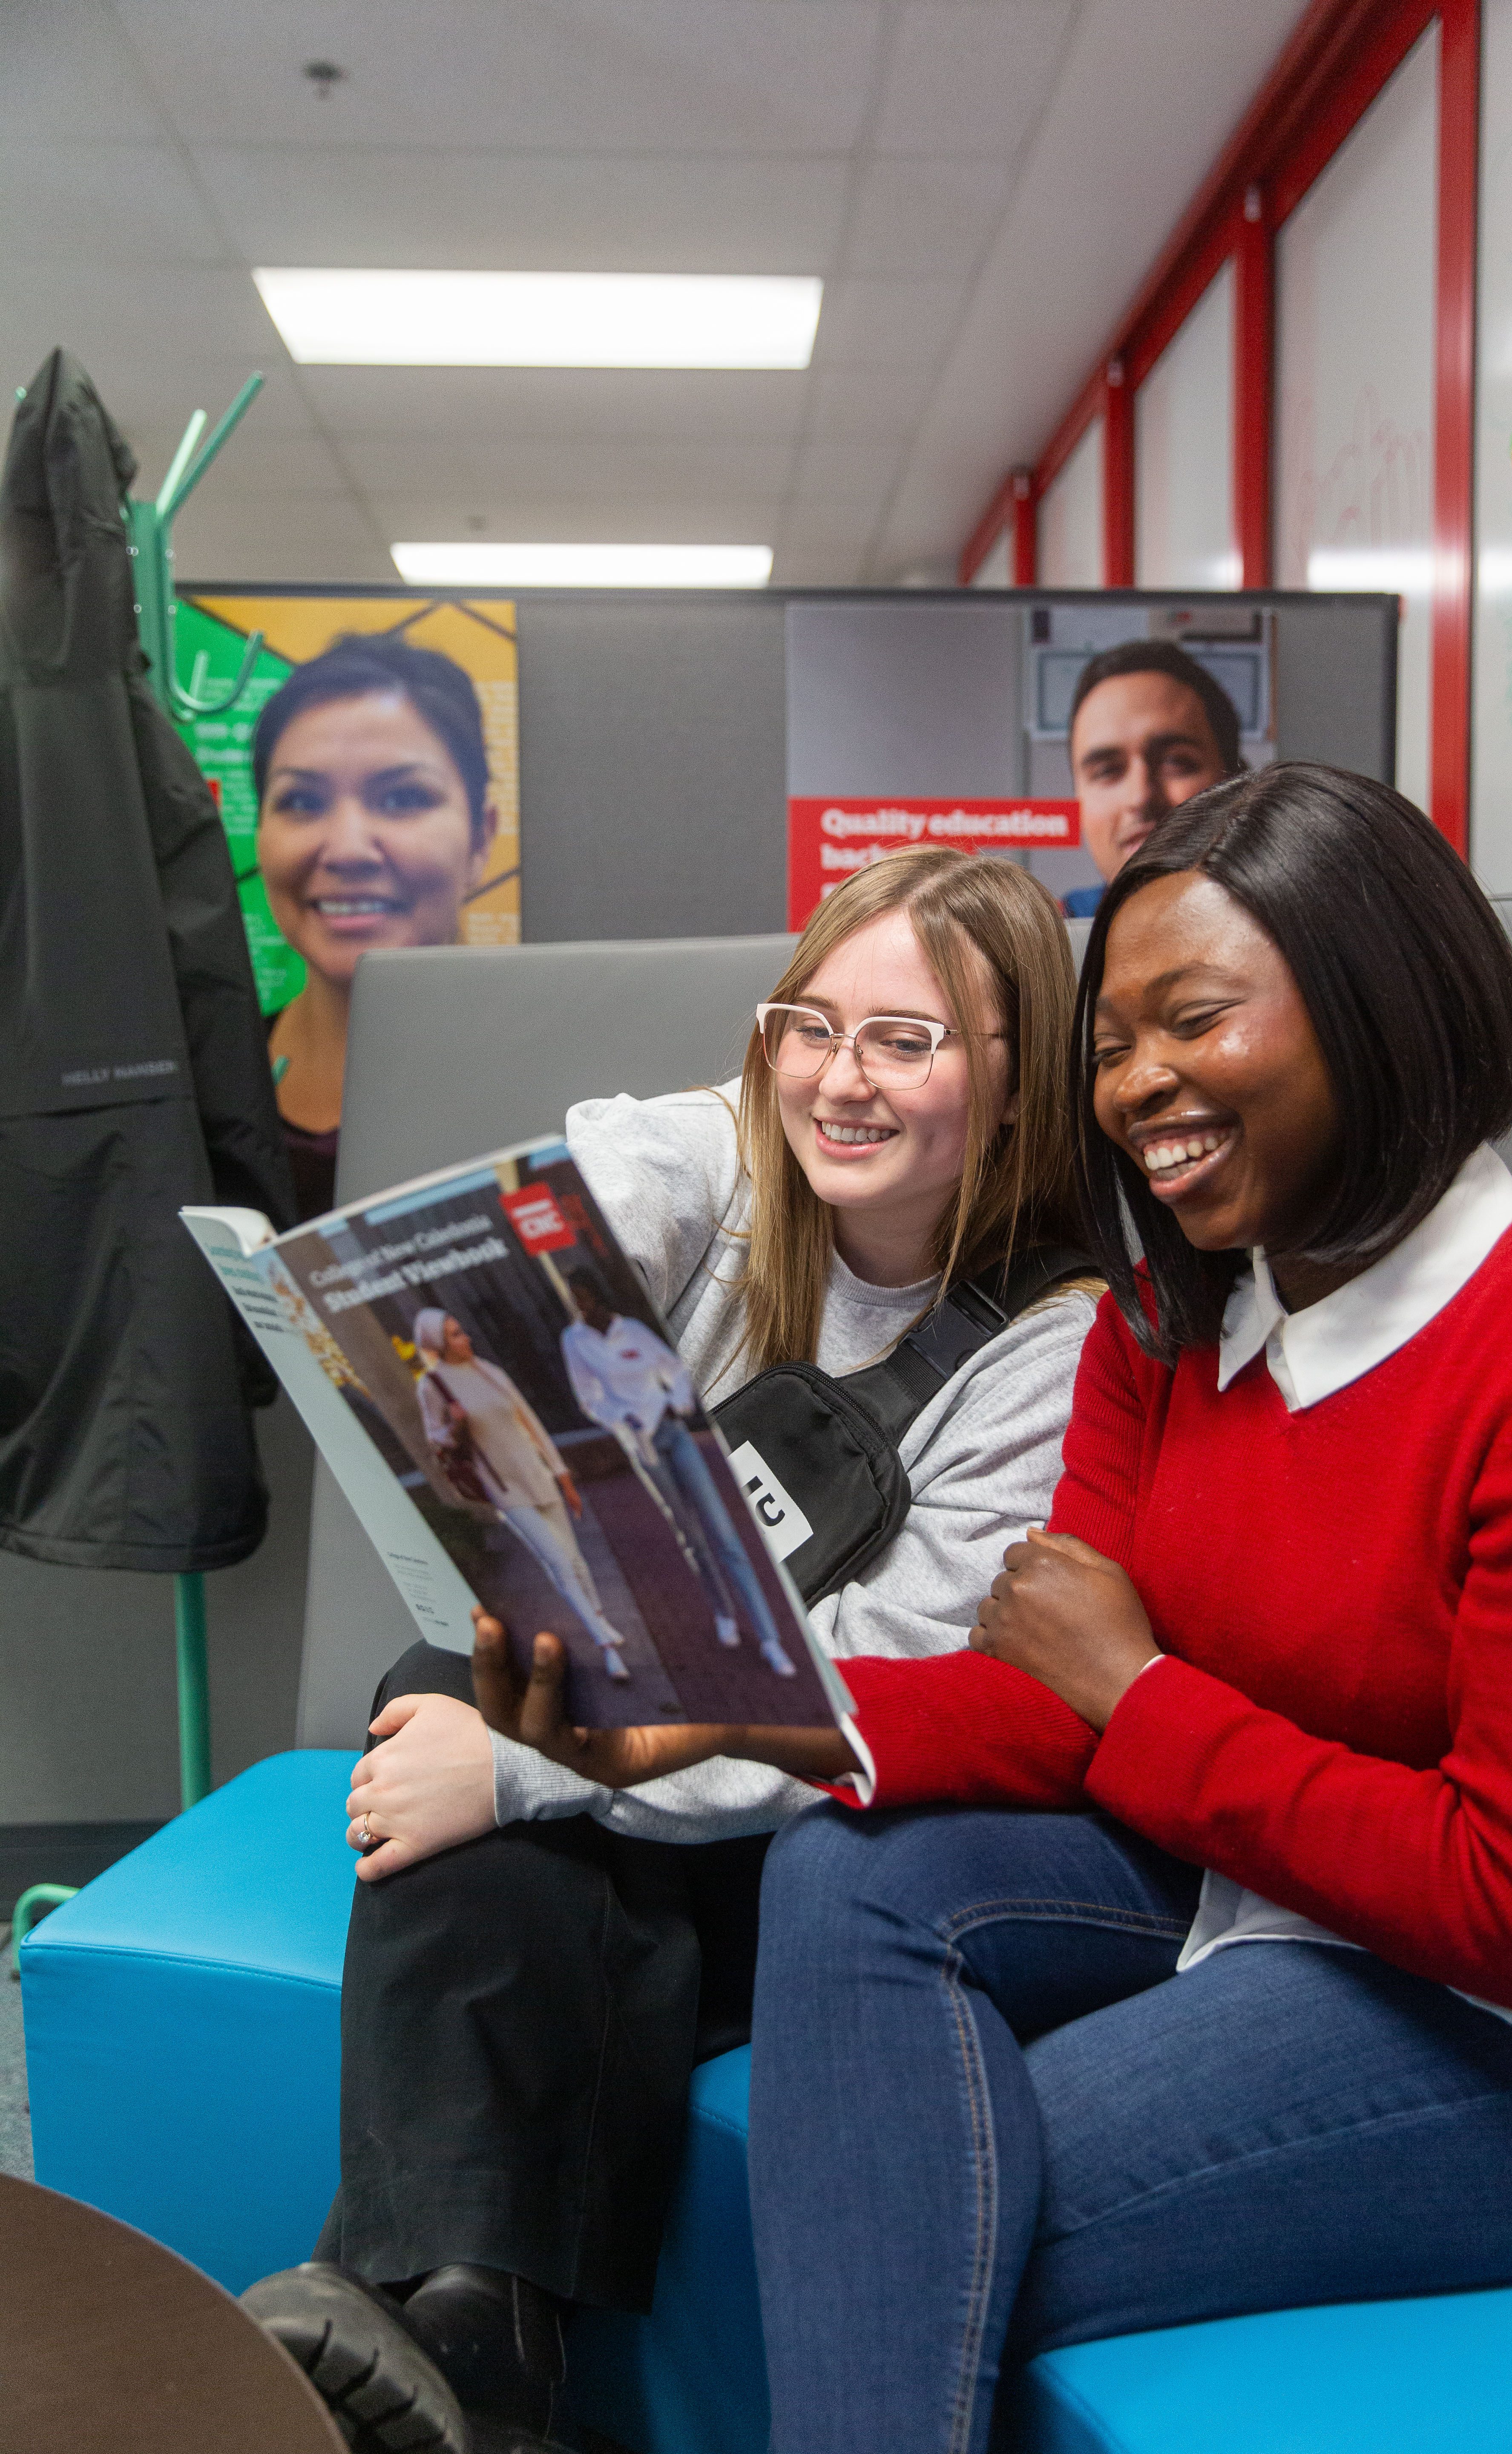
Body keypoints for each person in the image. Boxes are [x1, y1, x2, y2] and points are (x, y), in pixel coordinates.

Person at [501, 765, 1512, 2454]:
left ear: (1381, 1007)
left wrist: (1146, 1691)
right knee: (851, 1867)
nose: (1141, 1085)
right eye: (1111, 1043)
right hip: (1247, 1891)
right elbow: (1041, 1701)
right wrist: (674, 1714)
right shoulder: (1171, 1326)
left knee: (903, 2236)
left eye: (1199, 1020)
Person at [244, 847, 1101, 2450]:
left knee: (490, 1754)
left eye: (905, 1041)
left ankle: (453, 2322)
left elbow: (856, 1693)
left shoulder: (1053, 1344)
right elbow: (578, 1202)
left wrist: (521, 1776)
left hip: (824, 1816)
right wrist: (524, 1269)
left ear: (1016, 1076)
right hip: (646, 1736)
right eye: (807, 1022)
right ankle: (468, 2338)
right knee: (456, 1677)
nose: (838, 1079)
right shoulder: (725, 1157)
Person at [255, 636, 500, 1217]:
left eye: (402, 797)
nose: (346, 849)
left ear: (481, 838)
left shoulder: (576, 1099)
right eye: (302, 802)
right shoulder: (201, 1096)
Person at [560, 1269, 798, 1676]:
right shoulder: (575, 1341)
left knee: (723, 1533)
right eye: (573, 1299)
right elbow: (590, 1399)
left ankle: (771, 1640)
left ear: (597, 1297)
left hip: (675, 1435)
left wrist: (678, 1403)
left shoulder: (631, 1330)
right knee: (690, 1535)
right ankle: (724, 1613)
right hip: (644, 1447)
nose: (578, 1306)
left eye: (583, 1297)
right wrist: (625, 1418)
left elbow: (674, 1370)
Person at [412, 1307, 630, 1684]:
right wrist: (455, 1424)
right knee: (560, 1564)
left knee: (577, 1561)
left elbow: (531, 1423)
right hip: (504, 1487)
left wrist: (562, 1475)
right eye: (454, 1335)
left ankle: (601, 1621)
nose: (466, 1339)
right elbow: (437, 1442)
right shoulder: (433, 1386)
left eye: (462, 1331)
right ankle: (607, 1647)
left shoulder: (492, 1373)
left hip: (538, 1476)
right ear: (437, 1343)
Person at [1059, 637, 1239, 918]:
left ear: (1238, 783)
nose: (1140, 796)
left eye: (1176, 762)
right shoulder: (1050, 942)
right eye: (1107, 771)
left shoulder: (1300, 939)